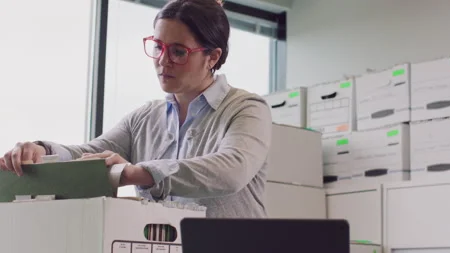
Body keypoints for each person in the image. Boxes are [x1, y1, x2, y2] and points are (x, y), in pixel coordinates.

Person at [0, 0, 272, 218]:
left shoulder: (246, 108)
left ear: (213, 56)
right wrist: (43, 150)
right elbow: (92, 153)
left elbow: (230, 171)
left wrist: (135, 172)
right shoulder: (144, 117)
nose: (163, 61)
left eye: (178, 52)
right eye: (158, 47)